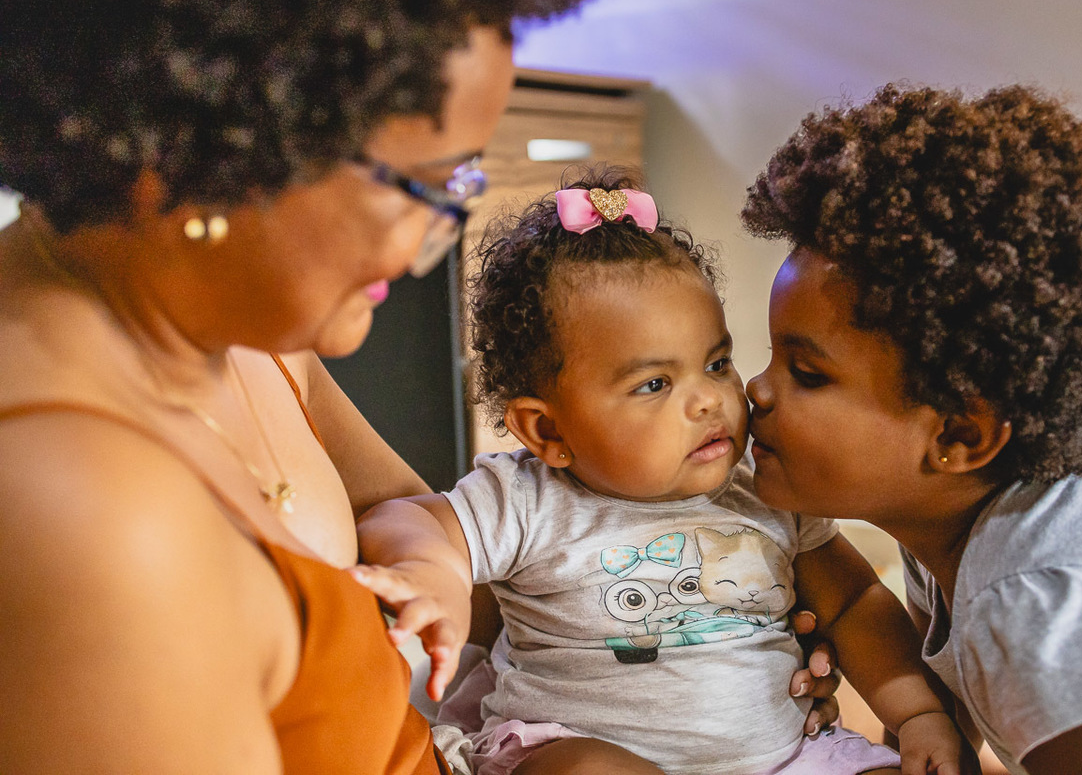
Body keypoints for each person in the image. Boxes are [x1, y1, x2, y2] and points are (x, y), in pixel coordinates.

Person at [0, 0, 611, 772]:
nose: (438, 232)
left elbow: (408, 521)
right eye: (423, 185)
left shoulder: (251, 336)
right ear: (214, 146)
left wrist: (698, 629)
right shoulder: (84, 514)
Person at [356, 167, 979, 775]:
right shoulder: (525, 498)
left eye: (716, 362)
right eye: (655, 383)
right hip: (580, 746)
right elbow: (404, 516)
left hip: (789, 757)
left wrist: (919, 712)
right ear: (549, 431)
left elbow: (853, 602)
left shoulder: (764, 493)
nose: (709, 399)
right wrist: (432, 567)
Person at [741, 83, 1082, 775]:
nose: (756, 388)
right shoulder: (960, 533)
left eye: (806, 372)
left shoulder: (1042, 601)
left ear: (959, 438)